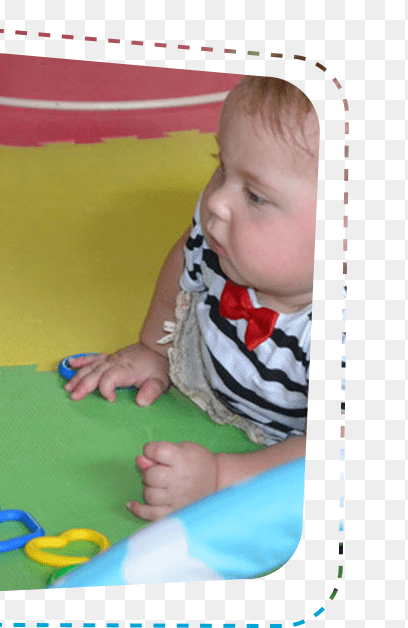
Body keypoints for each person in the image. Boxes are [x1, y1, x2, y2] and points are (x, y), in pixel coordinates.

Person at [64, 76, 318, 521]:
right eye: (221, 165)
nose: (216, 200)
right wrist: (154, 348)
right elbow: (184, 262)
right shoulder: (224, 237)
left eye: (255, 195)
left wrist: (223, 477)